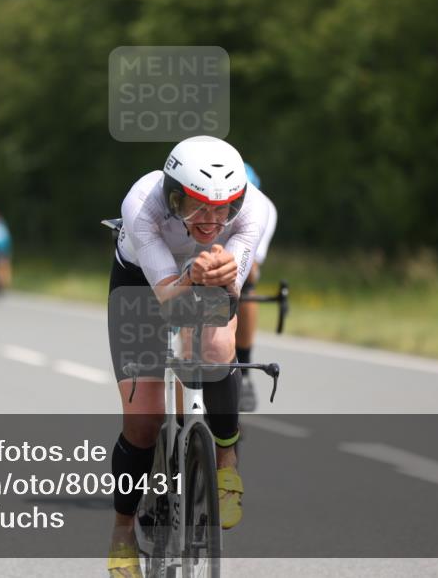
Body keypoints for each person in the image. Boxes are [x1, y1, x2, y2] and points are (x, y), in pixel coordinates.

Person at [106, 136, 271, 577]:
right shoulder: (143, 204)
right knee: (142, 420)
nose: (212, 221)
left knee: (217, 349)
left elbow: (234, 290)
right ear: (172, 195)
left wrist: (221, 276)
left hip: (206, 274)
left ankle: (227, 460)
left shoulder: (252, 208)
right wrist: (191, 275)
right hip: (142, 284)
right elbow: (167, 301)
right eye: (197, 207)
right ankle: (122, 533)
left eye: (223, 210)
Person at [236, 163, 278, 411]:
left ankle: (245, 370)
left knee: (247, 286)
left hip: (232, 268)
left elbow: (250, 269)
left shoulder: (264, 209)